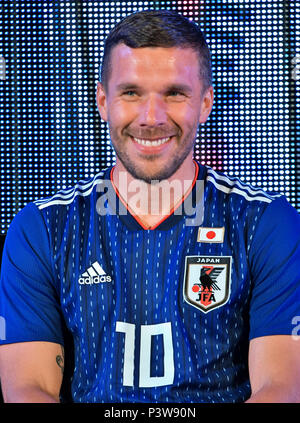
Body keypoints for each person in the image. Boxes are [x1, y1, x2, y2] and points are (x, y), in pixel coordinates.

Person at [0, 9, 300, 404]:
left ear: (206, 104)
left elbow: (281, 387)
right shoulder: (42, 228)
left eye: (174, 93)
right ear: (103, 101)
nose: (152, 117)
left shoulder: (267, 223)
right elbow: (27, 388)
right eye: (131, 93)